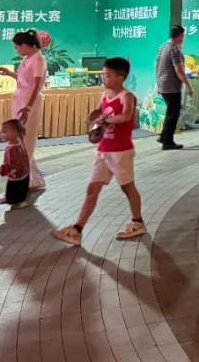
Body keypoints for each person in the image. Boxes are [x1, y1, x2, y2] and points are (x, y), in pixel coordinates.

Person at [52, 58, 146, 246]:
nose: (103, 78)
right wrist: (92, 119)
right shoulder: (104, 95)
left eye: (108, 75)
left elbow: (127, 116)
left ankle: (137, 223)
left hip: (120, 151)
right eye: (103, 74)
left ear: (121, 77)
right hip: (103, 150)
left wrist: (105, 120)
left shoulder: (127, 96)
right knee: (92, 188)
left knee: (127, 187)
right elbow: (99, 111)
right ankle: (77, 230)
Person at [0, 30, 47, 194]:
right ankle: (35, 180)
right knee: (21, 140)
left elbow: (36, 85)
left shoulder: (38, 59)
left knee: (26, 140)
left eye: (17, 47)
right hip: (21, 98)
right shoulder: (27, 58)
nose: (16, 50)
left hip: (30, 101)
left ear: (25, 45)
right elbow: (24, 80)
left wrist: (28, 106)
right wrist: (9, 73)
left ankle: (22, 183)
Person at [155, 26, 192, 151]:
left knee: (170, 112)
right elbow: (179, 70)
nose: (183, 39)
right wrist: (188, 86)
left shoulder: (162, 47)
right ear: (180, 35)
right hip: (172, 85)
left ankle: (164, 136)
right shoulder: (174, 49)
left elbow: (156, 66)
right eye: (183, 36)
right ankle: (167, 141)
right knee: (173, 113)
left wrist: (158, 82)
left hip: (163, 83)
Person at [0, 119, 30, 209]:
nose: (2, 134)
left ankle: (19, 203)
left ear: (15, 132)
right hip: (21, 172)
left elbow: (13, 166)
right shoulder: (17, 140)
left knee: (16, 189)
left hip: (18, 174)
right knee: (12, 188)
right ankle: (10, 198)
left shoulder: (14, 149)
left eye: (4, 132)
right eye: (1, 132)